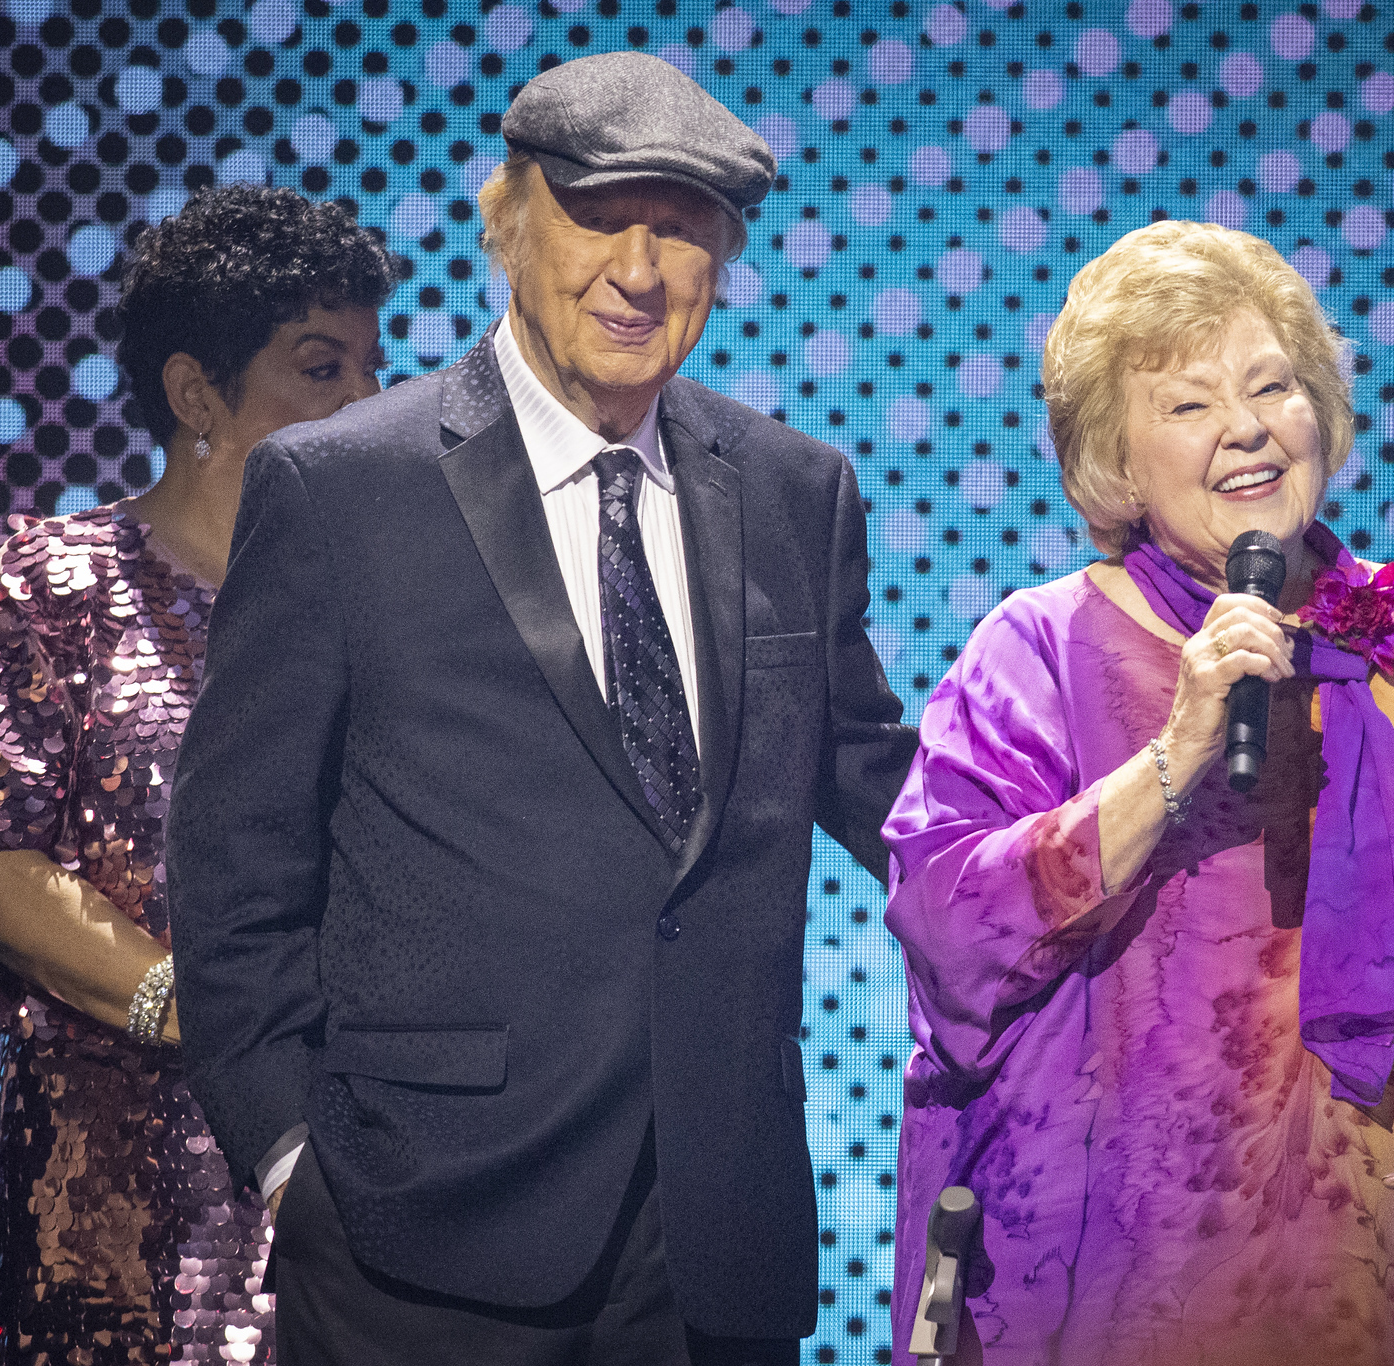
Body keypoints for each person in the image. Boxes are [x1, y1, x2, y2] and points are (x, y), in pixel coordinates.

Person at [163, 52, 915, 1366]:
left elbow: (883, 785)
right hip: (420, 1229)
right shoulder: (337, 486)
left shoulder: (798, 487)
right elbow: (235, 859)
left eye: (681, 231)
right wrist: (290, 1154)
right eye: (600, 217)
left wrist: (1129, 813)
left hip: (715, 1231)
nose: (639, 269)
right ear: (511, 221)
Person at [883, 221, 1394, 1366]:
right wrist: (1170, 760)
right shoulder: (1038, 653)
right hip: (1104, 1282)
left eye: (1273, 386)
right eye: (1187, 404)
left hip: (1369, 1277)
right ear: (1115, 459)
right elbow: (949, 929)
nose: (1247, 428)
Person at [0, 184, 392, 1365]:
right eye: (320, 366)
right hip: (118, 1182)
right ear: (197, 393)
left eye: (368, 365)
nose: (367, 400)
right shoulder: (52, 586)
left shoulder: (386, 606)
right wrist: (200, 1010)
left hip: (348, 1153)